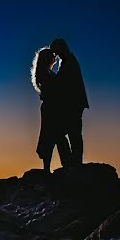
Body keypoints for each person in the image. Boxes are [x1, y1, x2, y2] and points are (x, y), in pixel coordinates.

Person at [31, 47, 71, 172]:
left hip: (51, 108)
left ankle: (50, 167)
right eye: (53, 56)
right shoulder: (45, 74)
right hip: (51, 108)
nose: (55, 57)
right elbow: (52, 91)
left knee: (52, 137)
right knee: (55, 137)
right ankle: (62, 165)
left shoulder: (45, 72)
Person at [50, 37, 88, 165]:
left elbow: (62, 82)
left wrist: (49, 75)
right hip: (74, 103)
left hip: (73, 104)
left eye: (55, 51)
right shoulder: (67, 60)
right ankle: (72, 163)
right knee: (72, 133)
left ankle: (71, 163)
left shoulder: (68, 62)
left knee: (70, 133)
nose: (55, 54)